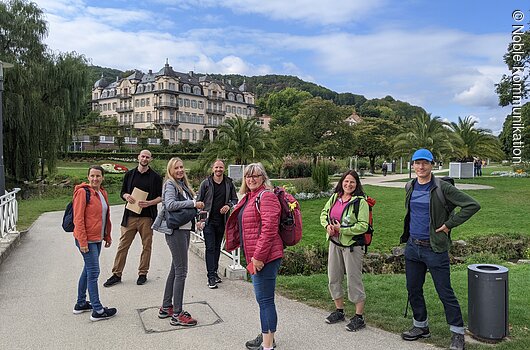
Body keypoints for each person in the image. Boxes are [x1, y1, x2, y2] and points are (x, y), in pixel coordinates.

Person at [400, 149, 480, 350]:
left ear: (432, 165)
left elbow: (472, 205)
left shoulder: (442, 188)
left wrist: (448, 225)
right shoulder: (410, 186)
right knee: (413, 289)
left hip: (434, 249)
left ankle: (457, 333)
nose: (421, 167)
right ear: (413, 165)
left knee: (445, 292)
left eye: (425, 163)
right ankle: (421, 326)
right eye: (417, 163)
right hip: (413, 248)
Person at [225, 163, 282, 350]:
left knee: (265, 301)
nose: (251, 179)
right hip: (256, 256)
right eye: (248, 176)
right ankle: (267, 337)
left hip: (264, 257)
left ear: (263, 177)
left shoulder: (266, 197)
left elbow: (269, 230)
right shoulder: (251, 197)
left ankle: (268, 346)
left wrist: (258, 258)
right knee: (263, 300)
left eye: (255, 175)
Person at [152, 157, 204, 326]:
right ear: (170, 170)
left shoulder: (181, 185)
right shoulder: (170, 184)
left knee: (175, 269)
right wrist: (194, 203)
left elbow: (185, 208)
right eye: (176, 168)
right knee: (181, 271)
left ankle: (167, 306)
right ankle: (177, 314)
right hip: (176, 232)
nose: (180, 170)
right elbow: (170, 204)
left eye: (182, 167)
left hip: (183, 230)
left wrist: (196, 216)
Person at [104, 150, 162, 287]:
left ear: (150, 159)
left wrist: (149, 203)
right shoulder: (130, 174)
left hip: (147, 217)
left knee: (146, 246)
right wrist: (126, 196)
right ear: (138, 157)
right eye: (143, 156)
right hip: (130, 216)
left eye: (147, 157)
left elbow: (160, 197)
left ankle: (143, 273)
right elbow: (122, 192)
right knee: (123, 246)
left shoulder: (155, 177)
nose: (145, 158)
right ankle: (116, 274)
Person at [320, 170, 369, 332]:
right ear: (341, 182)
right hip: (334, 243)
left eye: (352, 182)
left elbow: (363, 225)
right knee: (333, 277)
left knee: (353, 280)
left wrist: (343, 229)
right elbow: (324, 214)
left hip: (352, 246)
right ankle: (339, 311)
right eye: (346, 181)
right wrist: (327, 226)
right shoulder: (335, 198)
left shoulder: (360, 202)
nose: (348, 185)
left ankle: (359, 317)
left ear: (357, 184)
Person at [72, 165, 117, 321]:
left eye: (98, 176)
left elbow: (105, 217)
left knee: (88, 270)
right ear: (88, 176)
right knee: (94, 273)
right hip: (87, 240)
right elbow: (78, 219)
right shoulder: (82, 193)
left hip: (97, 239)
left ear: (102, 177)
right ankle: (97, 310)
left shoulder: (102, 193)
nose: (95, 179)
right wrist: (83, 242)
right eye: (92, 176)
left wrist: (108, 236)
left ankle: (80, 303)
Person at [196, 159, 239, 289]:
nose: (218, 170)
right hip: (208, 221)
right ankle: (210, 277)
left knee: (216, 248)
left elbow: (234, 199)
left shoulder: (228, 183)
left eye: (221, 167)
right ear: (212, 169)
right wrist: (199, 220)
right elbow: (199, 202)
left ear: (224, 169)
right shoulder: (206, 183)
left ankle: (214, 272)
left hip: (222, 221)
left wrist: (228, 205)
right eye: (216, 167)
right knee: (209, 248)